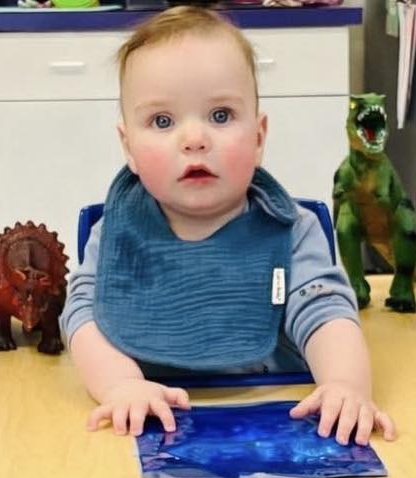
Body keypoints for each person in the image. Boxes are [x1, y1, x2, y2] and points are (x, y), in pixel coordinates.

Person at [62, 7, 395, 446]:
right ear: (128, 147)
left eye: (220, 115)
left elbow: (327, 313)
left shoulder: (291, 230)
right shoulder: (119, 233)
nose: (194, 138)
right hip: (149, 428)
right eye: (162, 121)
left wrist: (346, 386)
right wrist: (121, 386)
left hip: (278, 421)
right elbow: (82, 317)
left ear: (258, 137)